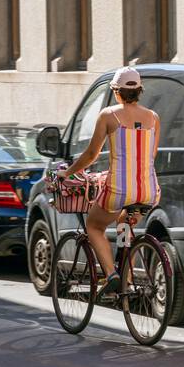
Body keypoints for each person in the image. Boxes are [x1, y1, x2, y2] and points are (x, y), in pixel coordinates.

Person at [60, 66, 161, 296]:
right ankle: (125, 279)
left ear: (116, 91)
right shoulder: (154, 118)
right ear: (139, 91)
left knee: (94, 226)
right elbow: (149, 157)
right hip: (148, 190)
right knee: (125, 223)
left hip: (119, 190)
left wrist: (68, 173)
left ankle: (112, 275)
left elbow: (90, 155)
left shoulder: (108, 115)